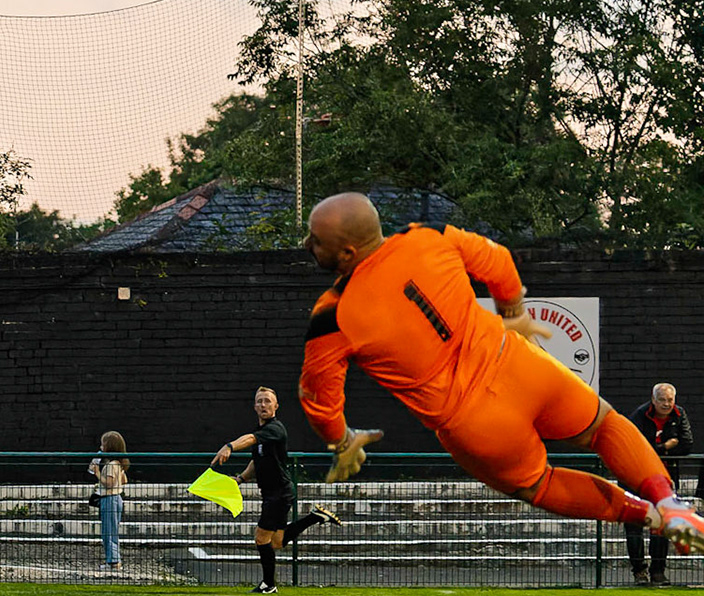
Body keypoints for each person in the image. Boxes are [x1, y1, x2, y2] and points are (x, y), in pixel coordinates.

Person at [298, 192, 704, 551]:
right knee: (604, 425)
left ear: (348, 253)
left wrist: (341, 440)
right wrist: (513, 313)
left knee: (539, 485)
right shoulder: (428, 235)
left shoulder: (332, 315)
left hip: (475, 424)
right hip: (521, 366)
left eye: (315, 239)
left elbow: (320, 401)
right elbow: (499, 260)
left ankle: (654, 520)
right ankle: (671, 503)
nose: (307, 244)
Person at [211, 386, 342, 594]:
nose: (263, 405)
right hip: (272, 493)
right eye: (259, 401)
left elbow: (250, 439)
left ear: (276, 406)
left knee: (261, 538)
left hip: (279, 493)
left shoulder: (275, 429)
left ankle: (268, 585)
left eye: (267, 401)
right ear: (254, 406)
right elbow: (256, 461)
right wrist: (240, 479)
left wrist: (229, 446)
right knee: (277, 542)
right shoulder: (262, 434)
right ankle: (315, 517)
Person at [622, 383, 692, 585]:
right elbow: (636, 446)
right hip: (636, 478)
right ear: (653, 400)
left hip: (664, 480)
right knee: (634, 527)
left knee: (661, 526)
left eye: (670, 400)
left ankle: (658, 572)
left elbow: (687, 444)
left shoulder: (679, 414)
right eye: (662, 400)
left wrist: (660, 450)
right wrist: (666, 446)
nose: (667, 404)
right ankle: (639, 572)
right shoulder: (639, 415)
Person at [87, 430, 129, 568]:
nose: (100, 447)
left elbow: (109, 483)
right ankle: (113, 559)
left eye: (102, 444)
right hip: (117, 498)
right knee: (112, 530)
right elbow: (124, 481)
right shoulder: (119, 464)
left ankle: (113, 561)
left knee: (108, 532)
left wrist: (98, 474)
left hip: (109, 498)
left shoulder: (111, 465)